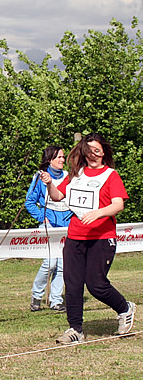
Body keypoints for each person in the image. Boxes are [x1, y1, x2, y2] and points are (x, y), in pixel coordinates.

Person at [40, 133, 135, 344]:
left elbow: (118, 204)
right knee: (72, 284)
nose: (93, 155)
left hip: (102, 237)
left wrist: (98, 213)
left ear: (103, 152)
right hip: (75, 237)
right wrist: (48, 183)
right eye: (89, 150)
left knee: (96, 285)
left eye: (97, 150)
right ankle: (75, 329)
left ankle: (125, 308)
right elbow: (57, 196)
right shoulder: (76, 174)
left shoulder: (111, 175)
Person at [24, 146, 72, 312]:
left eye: (63, 157)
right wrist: (41, 217)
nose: (62, 160)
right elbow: (29, 202)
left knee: (63, 265)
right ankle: (37, 296)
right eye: (58, 157)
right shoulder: (39, 177)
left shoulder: (69, 177)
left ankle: (56, 300)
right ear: (49, 159)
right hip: (49, 225)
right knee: (50, 262)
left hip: (67, 225)